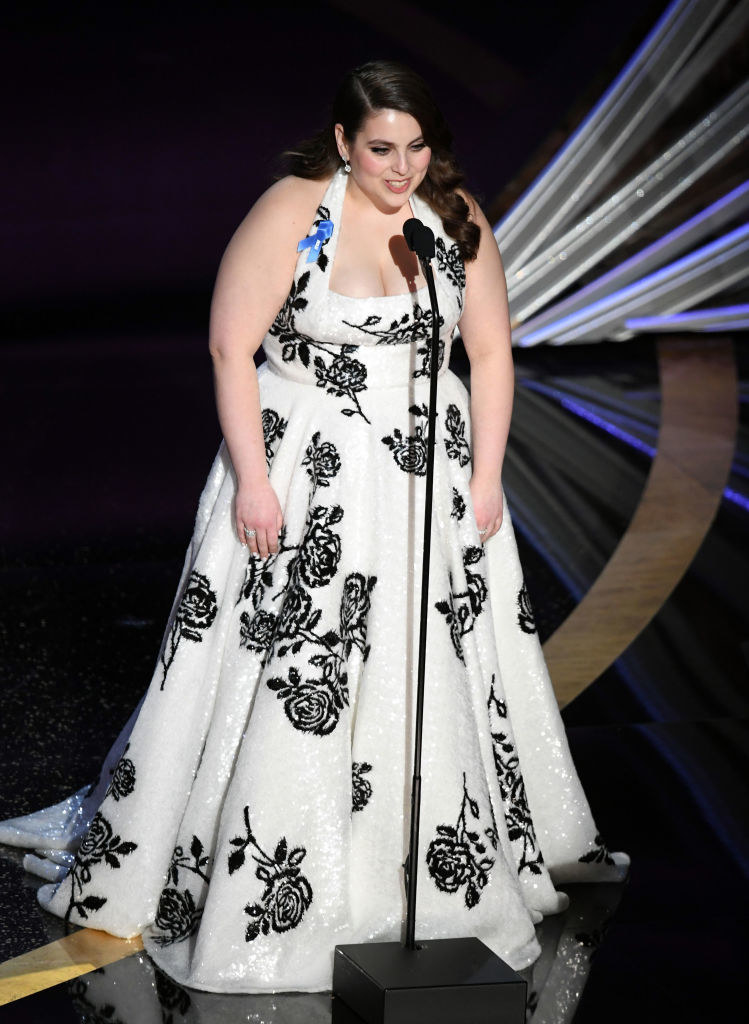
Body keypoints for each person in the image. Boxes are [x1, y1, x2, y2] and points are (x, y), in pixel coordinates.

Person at [0, 60, 627, 994]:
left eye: (416, 147)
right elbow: (230, 345)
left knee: (431, 674)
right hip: (309, 476)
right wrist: (254, 482)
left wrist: (486, 477)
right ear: (342, 142)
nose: (401, 167)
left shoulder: (451, 220)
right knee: (299, 664)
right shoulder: (297, 207)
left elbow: (489, 349)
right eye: (381, 148)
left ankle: (410, 874)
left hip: (426, 478)